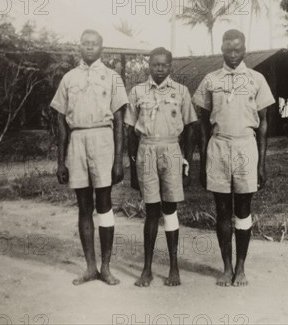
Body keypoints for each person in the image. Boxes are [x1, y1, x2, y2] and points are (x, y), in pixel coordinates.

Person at [193, 29, 275, 287]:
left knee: (242, 210)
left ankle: (241, 267)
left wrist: (261, 164)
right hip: (218, 146)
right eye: (228, 49)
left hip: (245, 147)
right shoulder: (210, 79)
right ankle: (226, 267)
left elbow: (263, 124)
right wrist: (205, 158)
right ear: (222, 49)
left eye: (237, 49)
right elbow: (202, 124)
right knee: (222, 211)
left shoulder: (256, 79)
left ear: (244, 49)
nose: (233, 53)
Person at [50, 29, 128, 286]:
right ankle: (90, 267)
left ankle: (106, 267)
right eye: (85, 43)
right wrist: (61, 161)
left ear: (102, 48)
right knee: (84, 206)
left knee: (104, 203)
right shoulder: (69, 78)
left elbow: (119, 121)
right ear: (79, 47)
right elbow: (60, 121)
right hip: (78, 141)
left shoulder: (112, 77)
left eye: (94, 44)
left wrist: (119, 160)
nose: (90, 47)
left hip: (103, 141)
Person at [125, 47, 197, 287]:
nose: (159, 69)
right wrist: (133, 163)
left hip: (172, 150)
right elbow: (130, 131)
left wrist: (186, 161)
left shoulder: (181, 91)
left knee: (170, 209)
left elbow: (190, 128)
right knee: (151, 210)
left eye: (164, 65)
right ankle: (147, 268)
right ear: (149, 65)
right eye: (155, 64)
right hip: (146, 149)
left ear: (170, 66)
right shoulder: (137, 91)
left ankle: (174, 267)